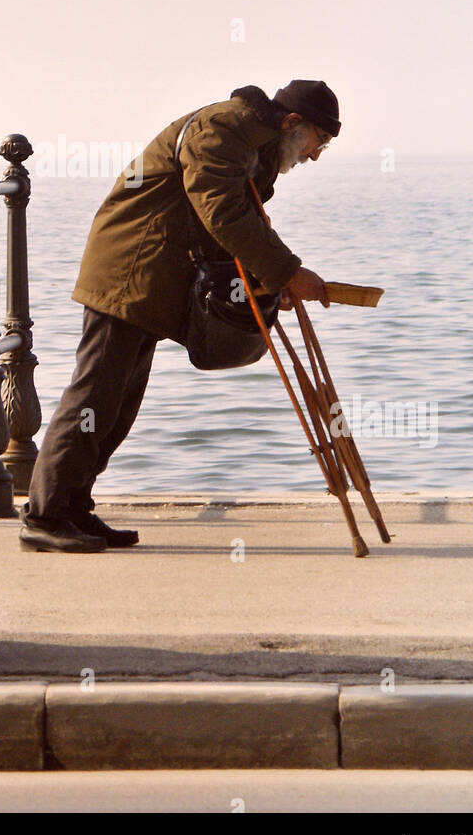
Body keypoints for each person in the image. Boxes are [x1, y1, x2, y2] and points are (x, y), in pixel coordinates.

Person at [20, 79, 340, 553]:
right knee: (95, 394)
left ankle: (72, 507)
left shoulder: (255, 145)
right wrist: (286, 271)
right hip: (131, 269)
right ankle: (45, 514)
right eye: (320, 141)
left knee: (118, 405)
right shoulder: (223, 128)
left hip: (154, 277)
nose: (316, 155)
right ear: (292, 123)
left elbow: (224, 230)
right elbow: (223, 213)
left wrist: (267, 280)